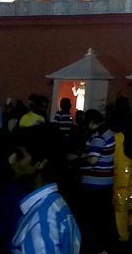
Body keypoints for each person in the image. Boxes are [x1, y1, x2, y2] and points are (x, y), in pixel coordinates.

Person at [9, 124, 82, 254]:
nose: (11, 160)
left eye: (19, 155)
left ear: (41, 163)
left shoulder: (41, 224)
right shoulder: (56, 203)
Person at [78, 109, 115, 254]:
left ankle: (95, 247)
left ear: (92, 122)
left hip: (94, 183)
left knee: (91, 219)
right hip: (106, 182)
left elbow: (93, 159)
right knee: (101, 219)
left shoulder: (99, 136)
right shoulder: (109, 133)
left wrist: (79, 157)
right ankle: (102, 248)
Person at [112, 105, 132, 243]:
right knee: (131, 207)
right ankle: (128, 233)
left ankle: (122, 235)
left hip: (120, 178)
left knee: (120, 209)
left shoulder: (117, 138)